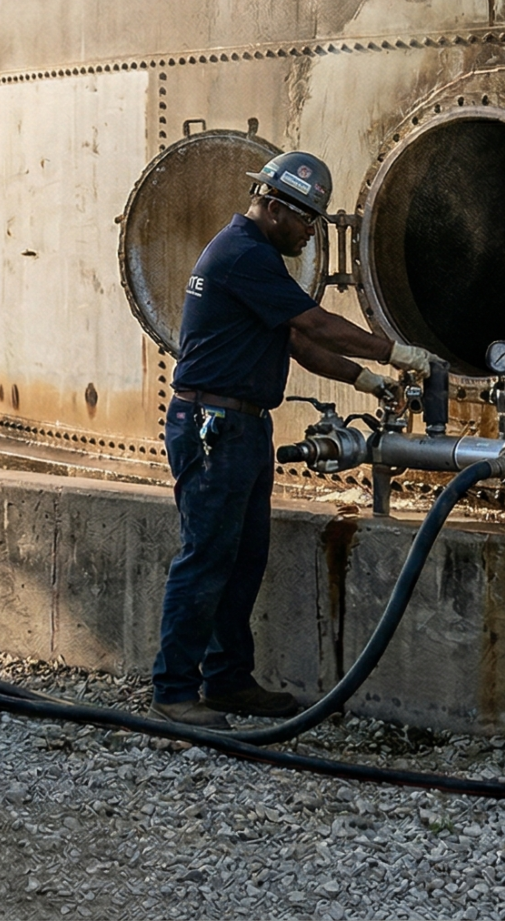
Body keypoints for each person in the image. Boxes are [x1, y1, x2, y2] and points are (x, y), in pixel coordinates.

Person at [152, 151, 432, 728]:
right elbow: (314, 324)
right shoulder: (243, 255)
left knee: (244, 558)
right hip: (215, 427)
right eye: (306, 218)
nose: (310, 231)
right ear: (275, 206)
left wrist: (363, 379)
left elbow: (296, 342)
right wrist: (392, 350)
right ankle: (174, 691)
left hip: (242, 425)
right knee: (205, 559)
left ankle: (228, 680)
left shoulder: (252, 257)